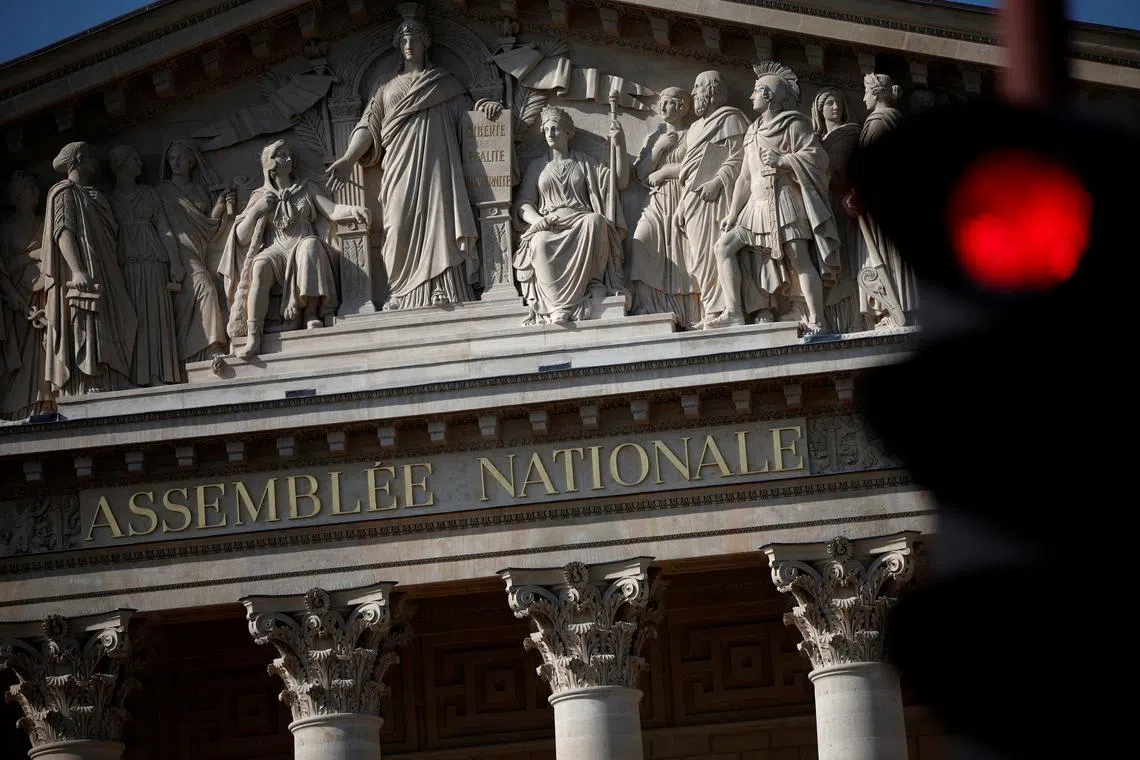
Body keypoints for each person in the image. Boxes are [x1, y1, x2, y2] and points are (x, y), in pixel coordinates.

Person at [324, 11, 502, 310]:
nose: (409, 45)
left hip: (438, 167)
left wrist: (487, 110)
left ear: (425, 44)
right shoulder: (386, 86)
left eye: (415, 39)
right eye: (404, 40)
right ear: (398, 45)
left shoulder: (443, 82)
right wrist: (347, 158)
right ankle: (402, 293)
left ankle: (447, 289)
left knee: (442, 221)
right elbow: (368, 126)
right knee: (396, 223)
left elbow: (468, 119)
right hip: (397, 168)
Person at [707, 63, 840, 335]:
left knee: (799, 258)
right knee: (723, 247)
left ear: (768, 95)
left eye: (756, 91)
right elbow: (744, 177)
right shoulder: (753, 130)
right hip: (754, 204)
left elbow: (818, 158)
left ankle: (817, 319)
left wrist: (783, 160)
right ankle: (733, 312)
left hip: (783, 201)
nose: (750, 97)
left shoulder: (794, 124)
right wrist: (733, 214)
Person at [222, 140, 369, 360]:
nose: (289, 159)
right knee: (260, 265)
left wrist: (354, 210)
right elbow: (241, 237)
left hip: (302, 242)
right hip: (276, 249)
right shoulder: (260, 196)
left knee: (309, 246)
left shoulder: (306, 187)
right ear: (270, 163)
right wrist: (257, 211)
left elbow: (333, 210)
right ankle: (254, 336)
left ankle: (310, 312)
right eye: (282, 155)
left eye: (289, 155)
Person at [513, 106, 628, 324]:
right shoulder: (538, 166)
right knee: (539, 242)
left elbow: (619, 182)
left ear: (568, 132)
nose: (550, 134)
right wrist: (539, 220)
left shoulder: (584, 162)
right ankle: (557, 306)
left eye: (555, 129)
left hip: (580, 219)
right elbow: (523, 204)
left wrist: (619, 145)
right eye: (546, 130)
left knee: (595, 221)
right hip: (550, 223)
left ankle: (595, 283)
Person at [41, 142, 137, 396]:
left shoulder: (92, 194)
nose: (96, 162)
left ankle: (114, 375)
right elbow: (63, 232)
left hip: (106, 265)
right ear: (80, 159)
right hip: (86, 265)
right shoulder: (65, 193)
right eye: (91, 158)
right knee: (88, 318)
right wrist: (77, 270)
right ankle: (88, 380)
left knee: (122, 316)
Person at [674, 71, 751, 327]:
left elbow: (741, 158)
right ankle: (710, 310)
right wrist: (681, 204)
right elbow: (687, 170)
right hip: (693, 198)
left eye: (697, 87)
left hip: (719, 197)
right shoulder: (694, 128)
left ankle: (730, 309)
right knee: (699, 257)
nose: (693, 93)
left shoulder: (731, 118)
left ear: (712, 90)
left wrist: (718, 182)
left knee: (717, 250)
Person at [109, 145, 185, 386]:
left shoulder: (149, 193)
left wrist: (175, 263)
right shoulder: (109, 199)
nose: (140, 164)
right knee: (134, 320)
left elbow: (165, 229)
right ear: (120, 164)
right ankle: (134, 376)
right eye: (134, 159)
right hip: (126, 266)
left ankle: (159, 375)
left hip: (153, 262)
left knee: (157, 319)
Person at [629, 87, 700, 327]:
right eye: (661, 103)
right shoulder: (653, 138)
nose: (662, 107)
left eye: (668, 103)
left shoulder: (693, 134)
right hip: (658, 200)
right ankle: (648, 305)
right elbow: (640, 174)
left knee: (686, 252)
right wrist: (658, 149)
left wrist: (666, 171)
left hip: (684, 198)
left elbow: (698, 168)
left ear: (682, 107)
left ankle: (691, 311)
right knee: (642, 240)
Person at [158, 139, 234, 363]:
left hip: (198, 250)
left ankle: (194, 354)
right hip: (176, 252)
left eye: (181, 157)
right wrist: (173, 261)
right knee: (206, 290)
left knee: (207, 291)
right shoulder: (162, 192)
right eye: (172, 158)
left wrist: (220, 207)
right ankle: (212, 346)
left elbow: (208, 230)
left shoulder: (200, 190)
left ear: (192, 161)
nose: (176, 162)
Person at [856, 73, 917, 328]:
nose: (862, 98)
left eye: (866, 92)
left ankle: (896, 311)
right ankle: (905, 308)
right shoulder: (898, 120)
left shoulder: (878, 123)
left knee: (888, 255)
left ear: (877, 93)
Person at [811, 87, 864, 333]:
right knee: (827, 260)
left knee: (847, 258)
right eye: (829, 103)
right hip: (825, 205)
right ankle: (831, 318)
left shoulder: (851, 134)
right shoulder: (817, 141)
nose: (835, 107)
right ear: (819, 110)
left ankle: (855, 315)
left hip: (846, 205)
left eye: (838, 102)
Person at [0, 172, 50, 420]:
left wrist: (27, 259)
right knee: (16, 353)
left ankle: (42, 403)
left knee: (41, 352)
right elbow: (4, 267)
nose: (35, 192)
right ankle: (14, 409)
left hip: (42, 297)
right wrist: (35, 255)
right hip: (15, 302)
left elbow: (54, 255)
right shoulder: (5, 229)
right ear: (17, 197)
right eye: (30, 189)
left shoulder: (44, 223)